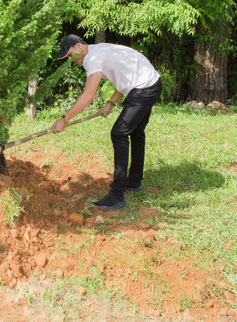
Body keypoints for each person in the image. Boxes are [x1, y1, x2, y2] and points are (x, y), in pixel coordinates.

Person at [51, 35, 162, 211]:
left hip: (144, 88)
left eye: (71, 55)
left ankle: (117, 195)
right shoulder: (99, 50)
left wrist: (65, 119)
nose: (72, 60)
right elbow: (123, 76)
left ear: (79, 45)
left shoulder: (92, 58)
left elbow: (88, 95)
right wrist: (111, 102)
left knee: (119, 133)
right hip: (150, 83)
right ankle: (134, 183)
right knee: (136, 132)